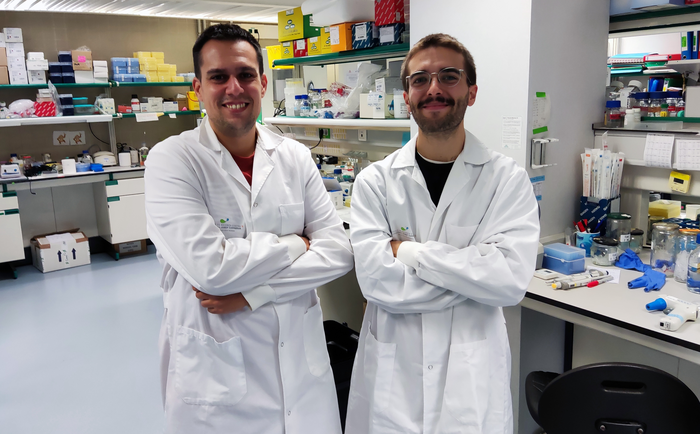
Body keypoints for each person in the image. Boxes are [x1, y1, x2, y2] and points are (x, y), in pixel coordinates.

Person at [145, 24, 354, 434]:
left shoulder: (293, 156)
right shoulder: (172, 160)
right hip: (218, 384)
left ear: (262, 82)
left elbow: (339, 251)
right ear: (199, 88)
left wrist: (253, 294)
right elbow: (213, 271)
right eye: (218, 77)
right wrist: (296, 243)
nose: (233, 88)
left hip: (301, 373)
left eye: (244, 75)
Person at [345, 33, 540, 434]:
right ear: (406, 95)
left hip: (471, 383)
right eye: (420, 79)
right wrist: (473, 272)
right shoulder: (374, 183)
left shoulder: (506, 179)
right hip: (393, 380)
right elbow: (377, 283)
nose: (434, 88)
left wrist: (408, 253)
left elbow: (508, 283)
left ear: (471, 92)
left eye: (449, 77)